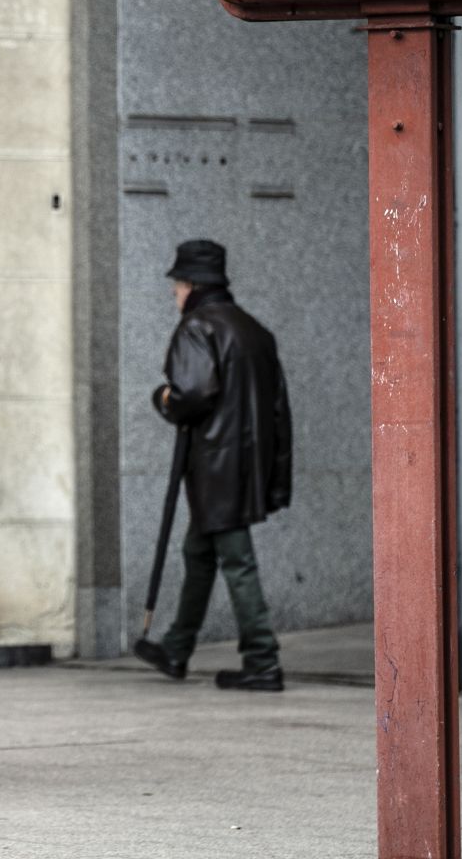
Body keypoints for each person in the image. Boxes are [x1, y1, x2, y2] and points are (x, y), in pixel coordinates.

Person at [134, 239, 293, 692]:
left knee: (236, 561)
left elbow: (191, 395)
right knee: (198, 554)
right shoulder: (254, 331)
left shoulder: (197, 328)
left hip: (215, 467)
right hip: (247, 463)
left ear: (191, 285)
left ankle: (262, 658)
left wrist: (164, 398)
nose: (174, 294)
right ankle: (177, 646)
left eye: (177, 285)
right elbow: (279, 407)